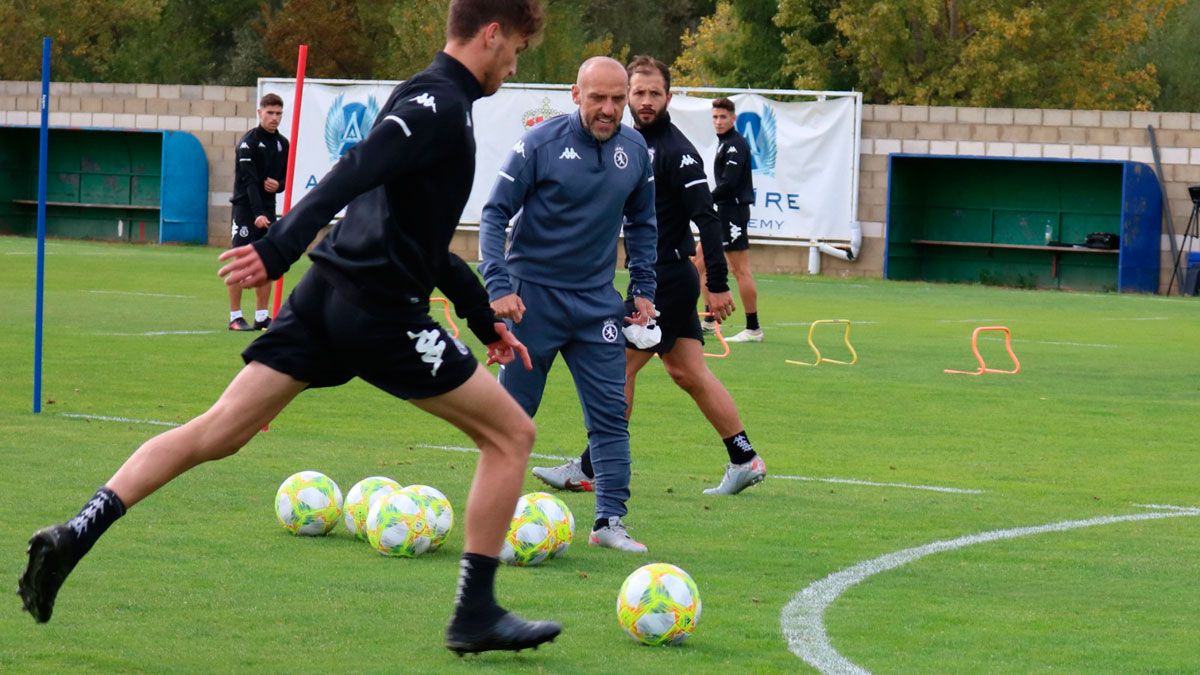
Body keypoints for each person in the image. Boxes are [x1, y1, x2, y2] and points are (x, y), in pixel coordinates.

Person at [18, 0, 563, 656]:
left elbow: (424, 242)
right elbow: (356, 167)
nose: (513, 62)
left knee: (215, 431)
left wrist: (480, 316)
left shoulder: (421, 95)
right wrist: (278, 247)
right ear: (492, 33)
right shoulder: (439, 106)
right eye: (518, 49)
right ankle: (475, 611)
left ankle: (78, 530)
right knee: (512, 434)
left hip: (323, 298)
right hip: (379, 310)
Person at [532, 56, 767, 497]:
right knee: (688, 372)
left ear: (669, 97)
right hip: (660, 276)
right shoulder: (629, 144)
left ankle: (591, 467)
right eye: (636, 93)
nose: (644, 101)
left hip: (664, 282)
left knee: (616, 365)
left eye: (653, 93)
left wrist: (716, 283)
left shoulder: (677, 152)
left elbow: (708, 219)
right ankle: (744, 457)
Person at [478, 56, 658, 554]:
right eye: (598, 98)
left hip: (597, 306)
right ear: (574, 94)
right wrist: (498, 285)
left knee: (610, 416)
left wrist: (643, 288)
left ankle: (610, 522)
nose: (609, 109)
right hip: (531, 302)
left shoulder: (634, 149)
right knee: (512, 417)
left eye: (618, 99)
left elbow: (643, 223)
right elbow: (493, 215)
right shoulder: (539, 145)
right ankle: (492, 518)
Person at [695, 97, 762, 343]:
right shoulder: (724, 144)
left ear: (733, 119)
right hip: (721, 212)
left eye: (723, 117)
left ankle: (753, 328)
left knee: (739, 270)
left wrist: (702, 199)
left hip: (732, 212)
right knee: (698, 263)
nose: (718, 121)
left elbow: (729, 185)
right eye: (715, 117)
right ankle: (710, 320)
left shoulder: (735, 145)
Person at [228, 93, 289, 331]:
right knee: (240, 262)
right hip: (246, 209)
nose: (274, 118)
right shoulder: (248, 143)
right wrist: (257, 214)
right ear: (259, 113)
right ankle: (234, 316)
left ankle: (262, 316)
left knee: (267, 261)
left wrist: (279, 185)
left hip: (268, 210)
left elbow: (284, 178)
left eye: (278, 114)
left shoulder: (283, 144)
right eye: (270, 113)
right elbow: (250, 182)